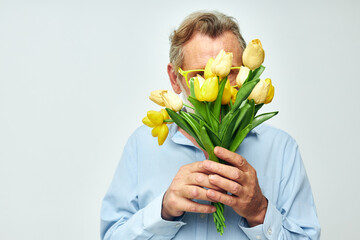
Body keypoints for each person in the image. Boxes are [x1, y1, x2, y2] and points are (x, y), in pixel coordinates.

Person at [100, 11, 321, 239]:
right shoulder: (141, 145)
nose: (215, 85)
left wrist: (259, 211)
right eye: (199, 74)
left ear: (247, 73)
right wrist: (163, 210)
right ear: (175, 79)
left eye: (230, 73)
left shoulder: (281, 149)